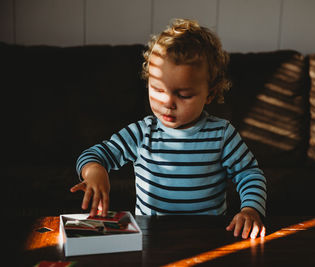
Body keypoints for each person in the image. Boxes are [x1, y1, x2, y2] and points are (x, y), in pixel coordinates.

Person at [70, 18, 267, 239]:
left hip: (208, 236)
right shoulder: (142, 132)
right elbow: (94, 154)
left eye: (183, 95)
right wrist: (96, 172)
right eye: (157, 89)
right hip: (151, 236)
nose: (168, 102)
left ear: (209, 94)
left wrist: (251, 209)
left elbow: (249, 173)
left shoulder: (222, 134)